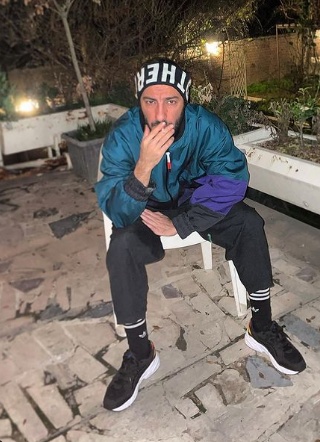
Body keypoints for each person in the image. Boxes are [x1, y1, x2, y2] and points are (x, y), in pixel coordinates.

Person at [95, 58, 306, 412]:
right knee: (122, 247)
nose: (160, 113)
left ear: (185, 100)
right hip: (143, 206)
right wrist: (143, 166)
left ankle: (262, 326)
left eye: (171, 101)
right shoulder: (123, 134)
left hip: (193, 202)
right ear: (138, 102)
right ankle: (140, 353)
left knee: (249, 223)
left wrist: (182, 223)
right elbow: (114, 207)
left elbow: (233, 180)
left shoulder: (204, 126)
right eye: (150, 101)